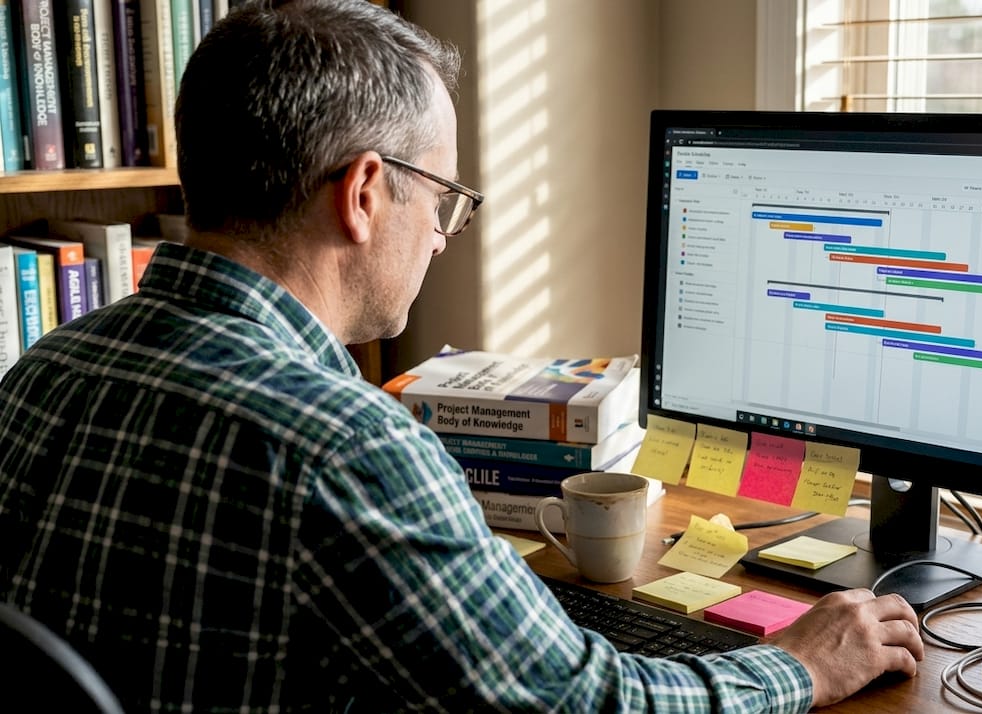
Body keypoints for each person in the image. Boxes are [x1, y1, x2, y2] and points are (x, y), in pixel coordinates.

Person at [0, 1, 924, 711]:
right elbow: (576, 705)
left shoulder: (44, 372)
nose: (443, 236)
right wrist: (797, 667)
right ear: (364, 193)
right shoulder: (344, 447)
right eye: (441, 196)